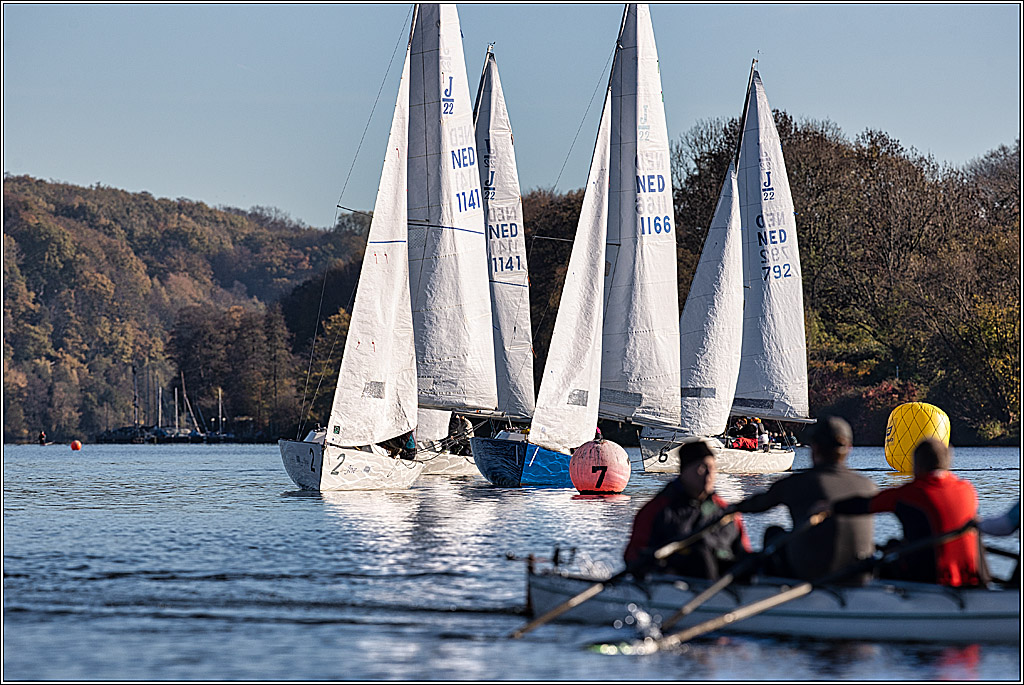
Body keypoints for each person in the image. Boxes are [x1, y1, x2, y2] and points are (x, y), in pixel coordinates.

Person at [729, 415, 878, 582]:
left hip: (809, 575)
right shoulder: (869, 486)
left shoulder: (795, 484)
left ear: (814, 448)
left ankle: (766, 585)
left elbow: (755, 505)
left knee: (773, 533)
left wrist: (726, 508)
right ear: (849, 448)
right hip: (859, 576)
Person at [829, 438, 983, 587]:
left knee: (885, 555)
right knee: (895, 545)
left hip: (930, 581)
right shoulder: (968, 489)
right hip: (970, 579)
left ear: (917, 465)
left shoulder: (911, 493)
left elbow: (864, 505)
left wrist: (829, 507)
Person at [624, 440, 751, 580]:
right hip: (678, 581)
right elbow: (633, 556)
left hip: (725, 578)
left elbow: (744, 552)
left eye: (712, 467)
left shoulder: (726, 512)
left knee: (774, 538)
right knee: (700, 552)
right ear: (685, 471)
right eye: (702, 467)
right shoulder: (656, 510)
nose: (709, 473)